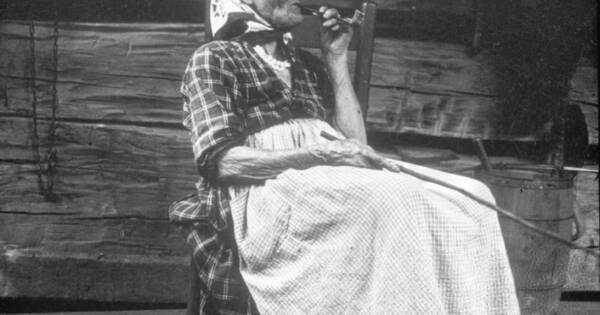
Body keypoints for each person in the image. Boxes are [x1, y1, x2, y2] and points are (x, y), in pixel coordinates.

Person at [169, 0, 520, 314]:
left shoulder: (305, 65)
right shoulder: (214, 57)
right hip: (264, 192)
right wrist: (317, 153)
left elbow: (356, 144)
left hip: (326, 182)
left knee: (474, 196)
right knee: (395, 199)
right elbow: (221, 161)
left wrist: (336, 58)